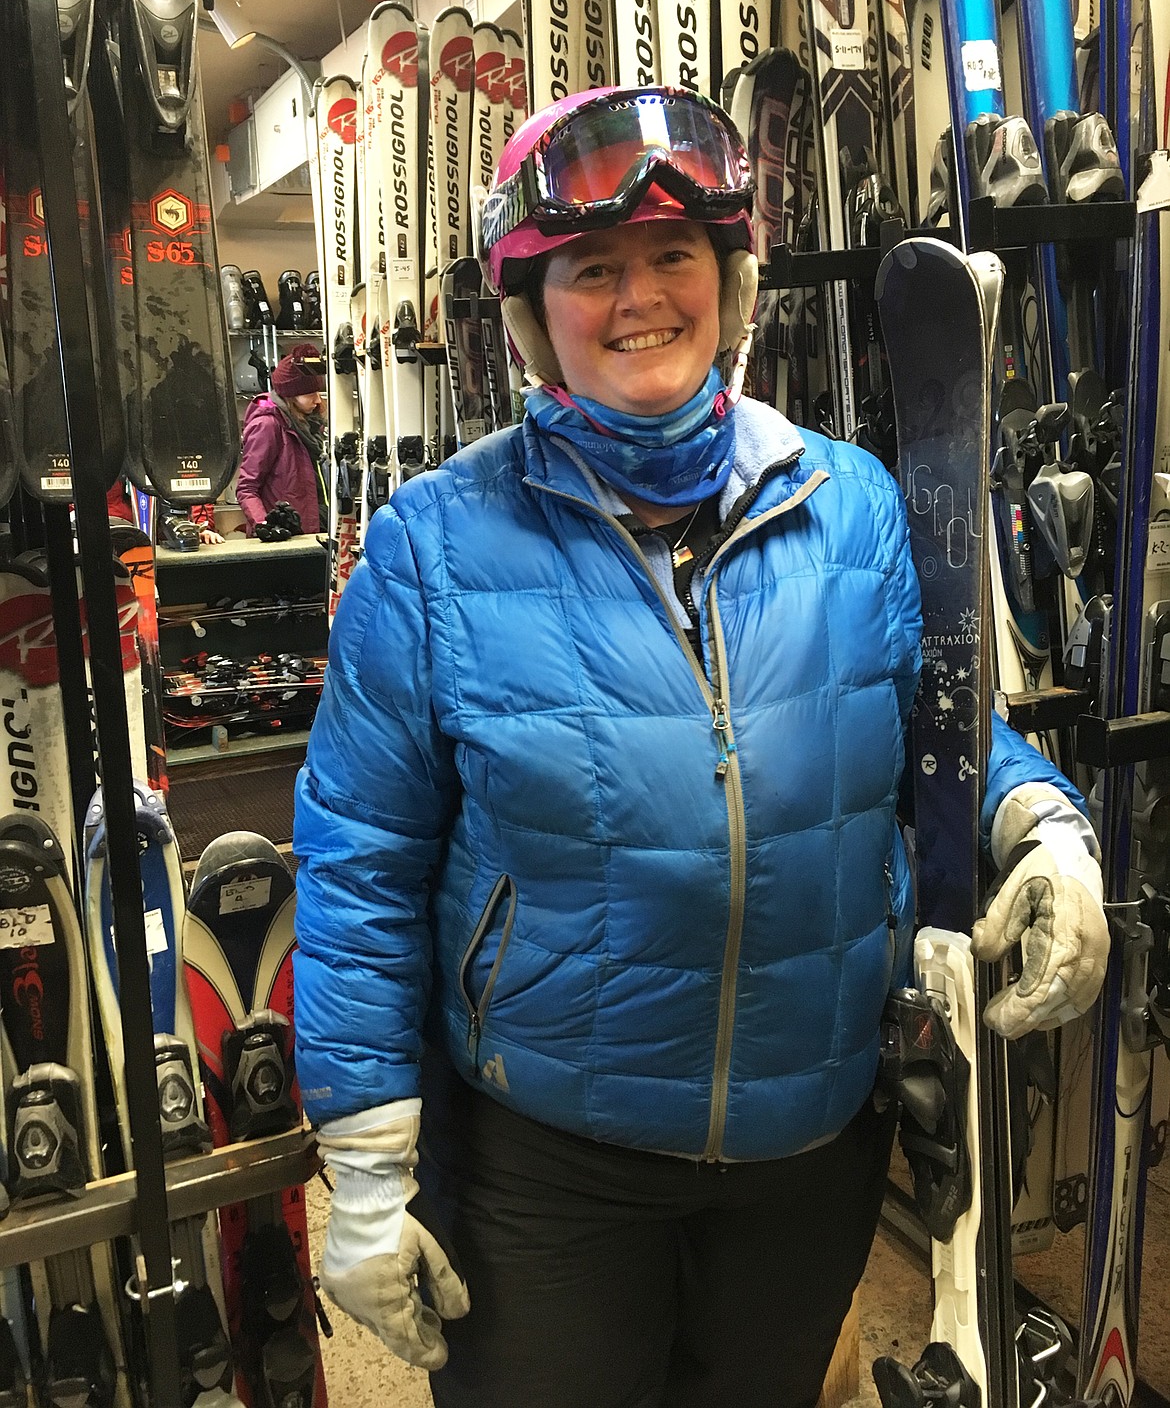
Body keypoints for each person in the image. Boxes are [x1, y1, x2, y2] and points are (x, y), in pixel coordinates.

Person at [292, 87, 1109, 1408]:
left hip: (810, 1142)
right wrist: (372, 1161)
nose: (639, 299)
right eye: (591, 270)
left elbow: (932, 734)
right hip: (551, 1161)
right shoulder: (433, 547)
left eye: (674, 257)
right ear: (532, 316)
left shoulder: (847, 502)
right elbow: (361, 862)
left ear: (728, 283)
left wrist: (1039, 820)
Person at [236, 342, 327, 538]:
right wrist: (266, 525)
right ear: (290, 396)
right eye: (310, 394)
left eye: (318, 393)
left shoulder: (309, 427)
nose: (318, 400)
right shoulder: (268, 426)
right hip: (282, 539)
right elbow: (247, 488)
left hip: (311, 533)